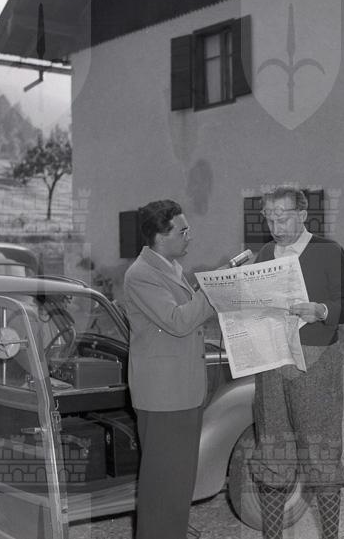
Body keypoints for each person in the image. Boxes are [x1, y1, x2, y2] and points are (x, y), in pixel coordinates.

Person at [249, 186, 344, 539]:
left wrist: (322, 311)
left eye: (282, 218)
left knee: (321, 449)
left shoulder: (329, 251)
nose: (275, 226)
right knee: (273, 449)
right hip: (272, 359)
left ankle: (330, 535)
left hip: (317, 359)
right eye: (269, 218)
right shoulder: (265, 253)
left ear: (302, 215)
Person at [123, 199, 215, 539]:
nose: (190, 236)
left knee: (178, 484)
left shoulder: (170, 267)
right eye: (183, 231)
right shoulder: (141, 275)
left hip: (182, 391)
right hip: (163, 397)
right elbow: (178, 321)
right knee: (162, 486)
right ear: (161, 237)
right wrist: (214, 291)